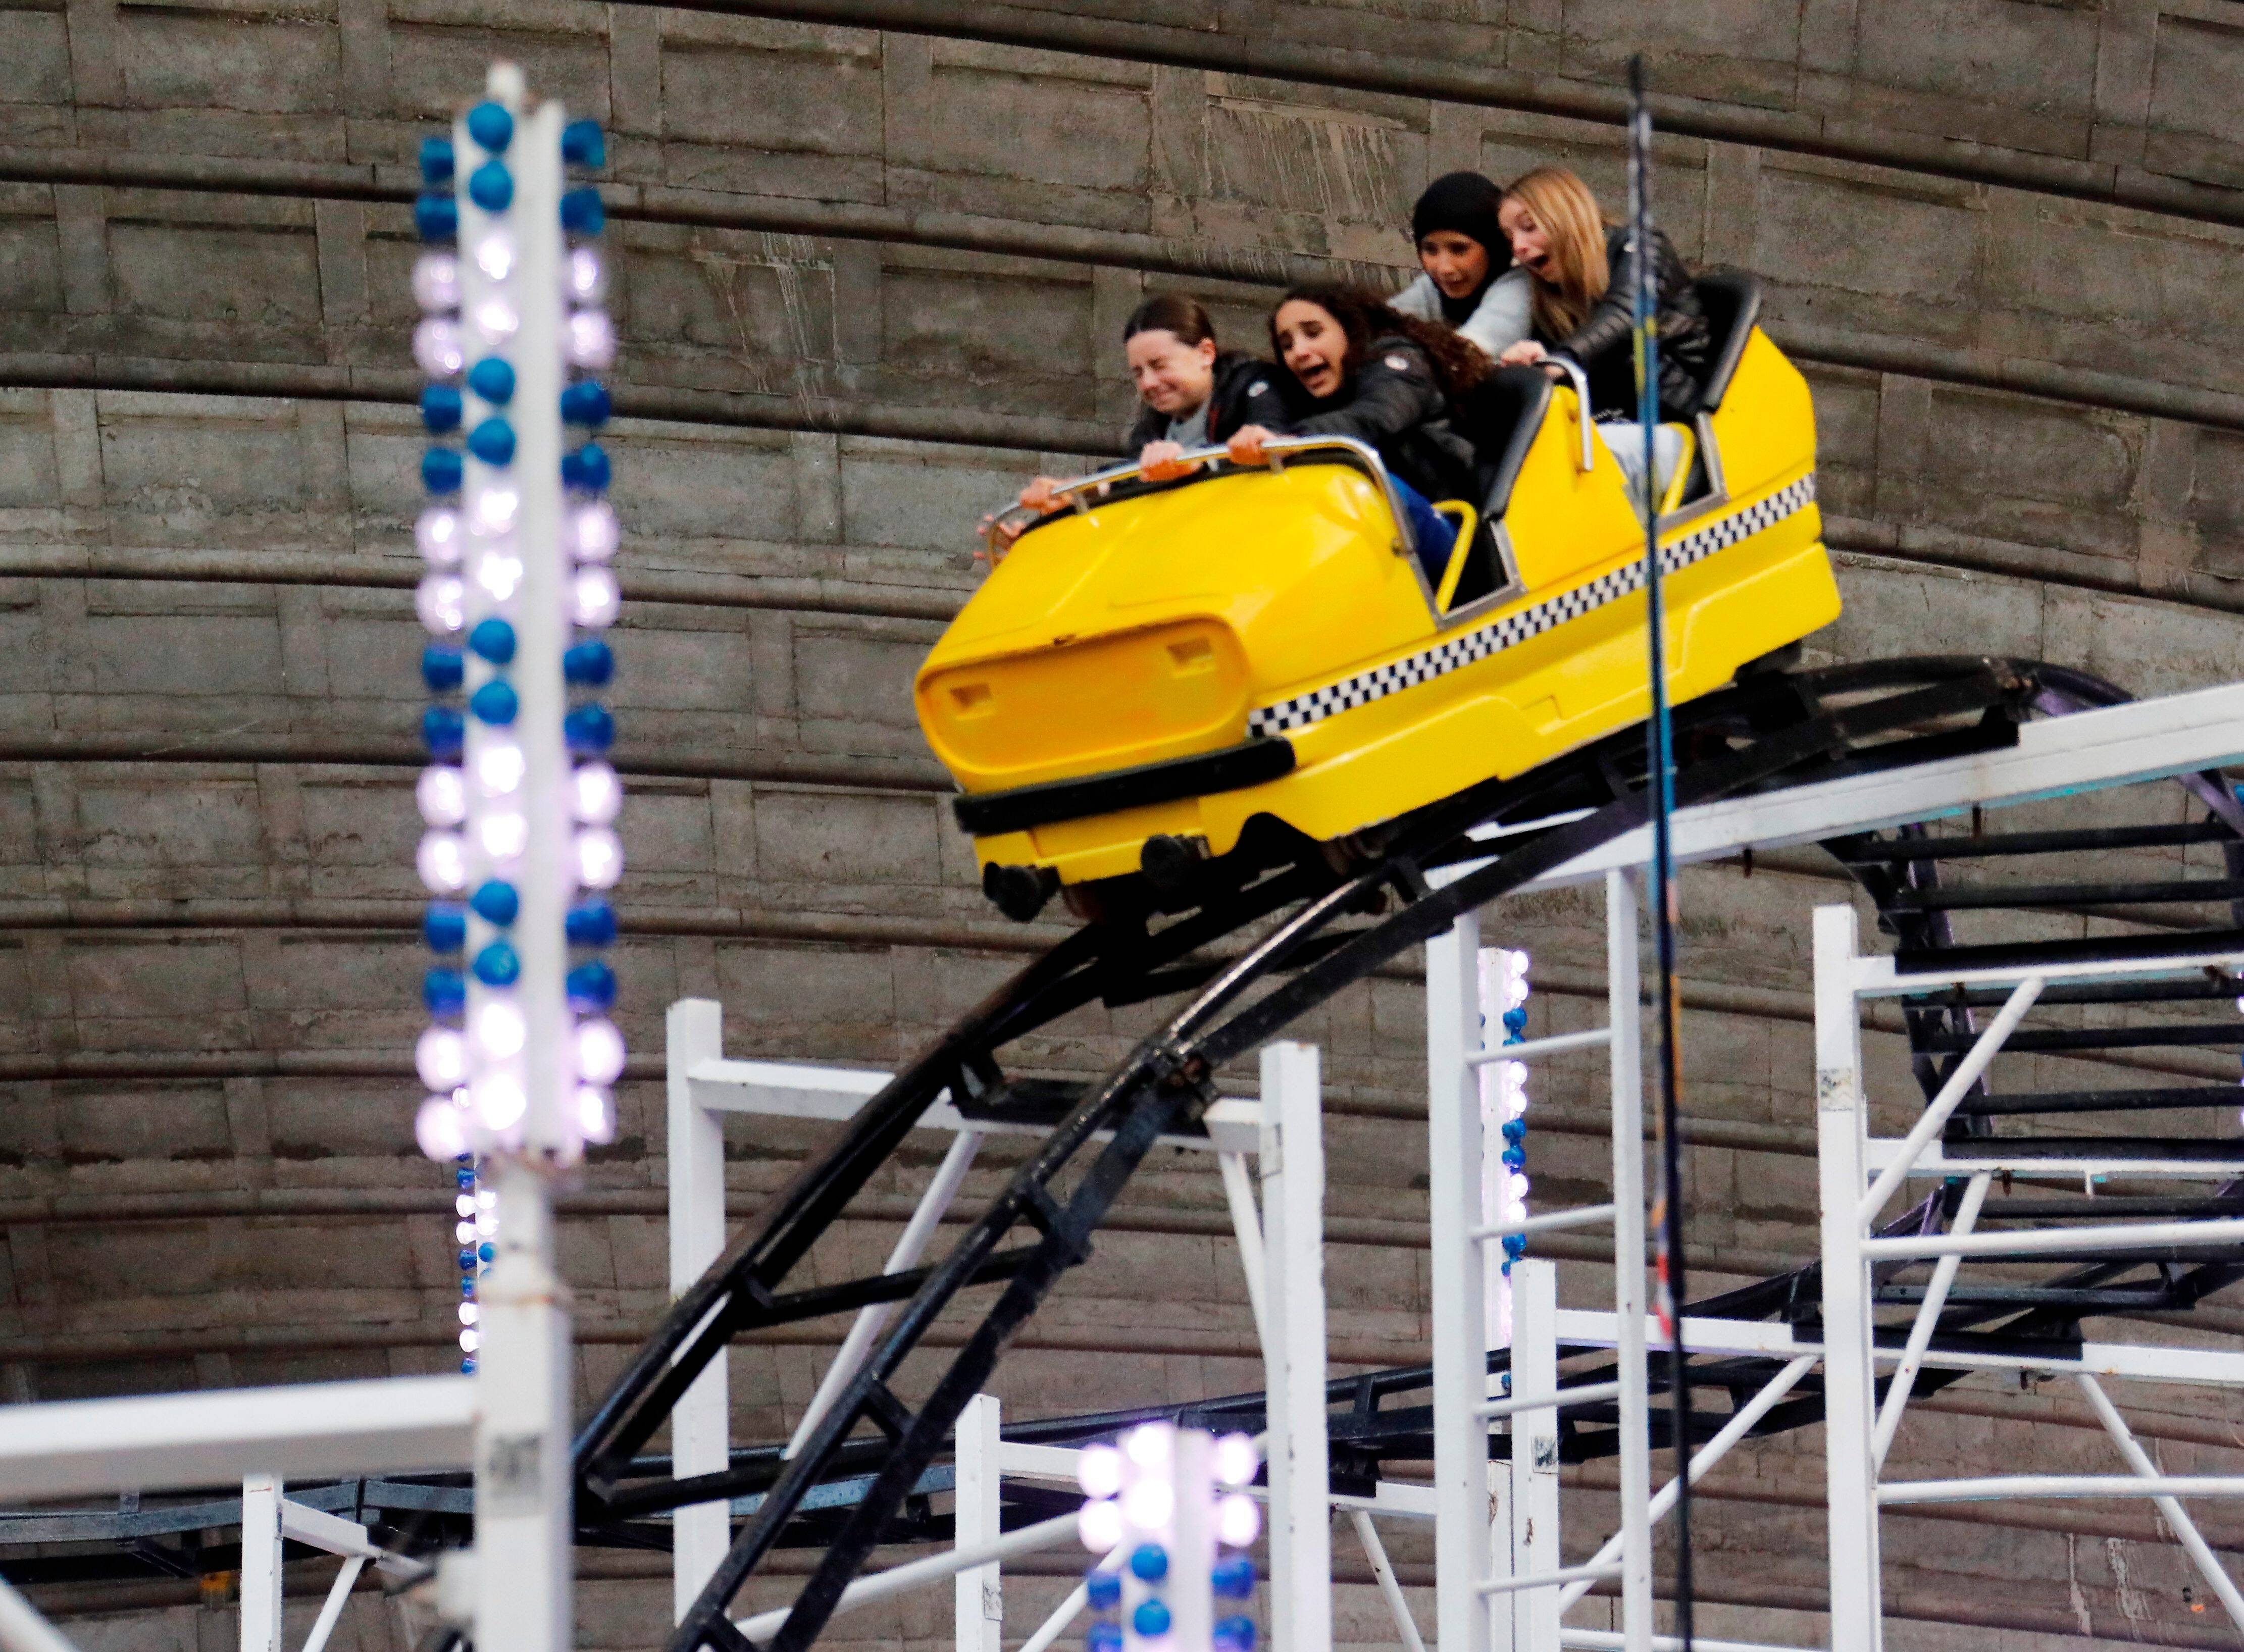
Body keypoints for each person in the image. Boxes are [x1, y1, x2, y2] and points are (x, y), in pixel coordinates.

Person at [989, 294, 1294, 551]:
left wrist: (1192, 467)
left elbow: (1273, 437)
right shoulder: (1152, 427)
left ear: (1206, 353)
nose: (1149, 383)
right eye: (1138, 373)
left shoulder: (1255, 385)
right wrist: (1066, 502)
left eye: (1160, 366)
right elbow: (1125, 481)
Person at [1225, 284, 1485, 585]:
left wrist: (1297, 441)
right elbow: (1269, 421)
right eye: (1287, 345)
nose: (1300, 352)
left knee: (1376, 490)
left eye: (1313, 333)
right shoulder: (1298, 393)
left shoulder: (1400, 362)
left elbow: (1377, 416)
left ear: (1349, 329)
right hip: (1370, 545)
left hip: (1451, 529)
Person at [1493, 166, 1711, 497]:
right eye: (1510, 239)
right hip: (1607, 427)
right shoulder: (1553, 303)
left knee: (1569, 459)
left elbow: (1626, 313)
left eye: (1529, 227)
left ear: (1567, 215)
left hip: (1679, 431)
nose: (1519, 247)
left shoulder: (1644, 249)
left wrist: (1558, 361)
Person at [1390, 170, 1533, 363]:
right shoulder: (1432, 290)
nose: (1444, 268)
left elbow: (1464, 358)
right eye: (1431, 250)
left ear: (1493, 248)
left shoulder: (1520, 290)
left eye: (1459, 250)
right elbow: (1379, 324)